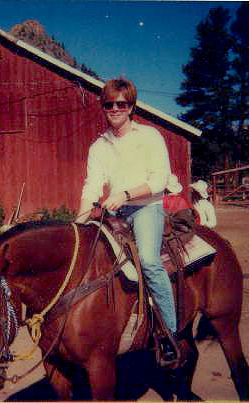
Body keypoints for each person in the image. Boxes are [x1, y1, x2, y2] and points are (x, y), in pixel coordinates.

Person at [75, 77, 177, 363]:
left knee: (148, 259)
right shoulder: (99, 146)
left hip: (146, 207)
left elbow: (159, 180)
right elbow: (91, 187)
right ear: (103, 107)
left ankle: (169, 333)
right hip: (116, 212)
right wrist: (78, 225)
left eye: (122, 103)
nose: (115, 109)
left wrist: (125, 193)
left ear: (131, 106)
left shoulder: (150, 136)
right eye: (109, 104)